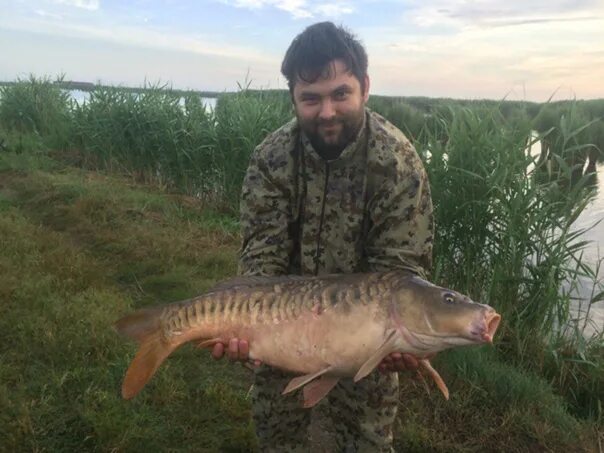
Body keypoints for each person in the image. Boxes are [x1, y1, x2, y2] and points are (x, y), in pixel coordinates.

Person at [212, 21, 434, 452]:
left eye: (340, 94)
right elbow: (261, 267)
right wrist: (242, 327)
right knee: (277, 436)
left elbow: (400, 275)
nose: (327, 112)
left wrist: (401, 338)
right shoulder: (271, 159)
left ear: (365, 87)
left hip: (364, 336)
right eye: (311, 99)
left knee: (366, 440)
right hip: (283, 328)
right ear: (293, 98)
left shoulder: (398, 164)